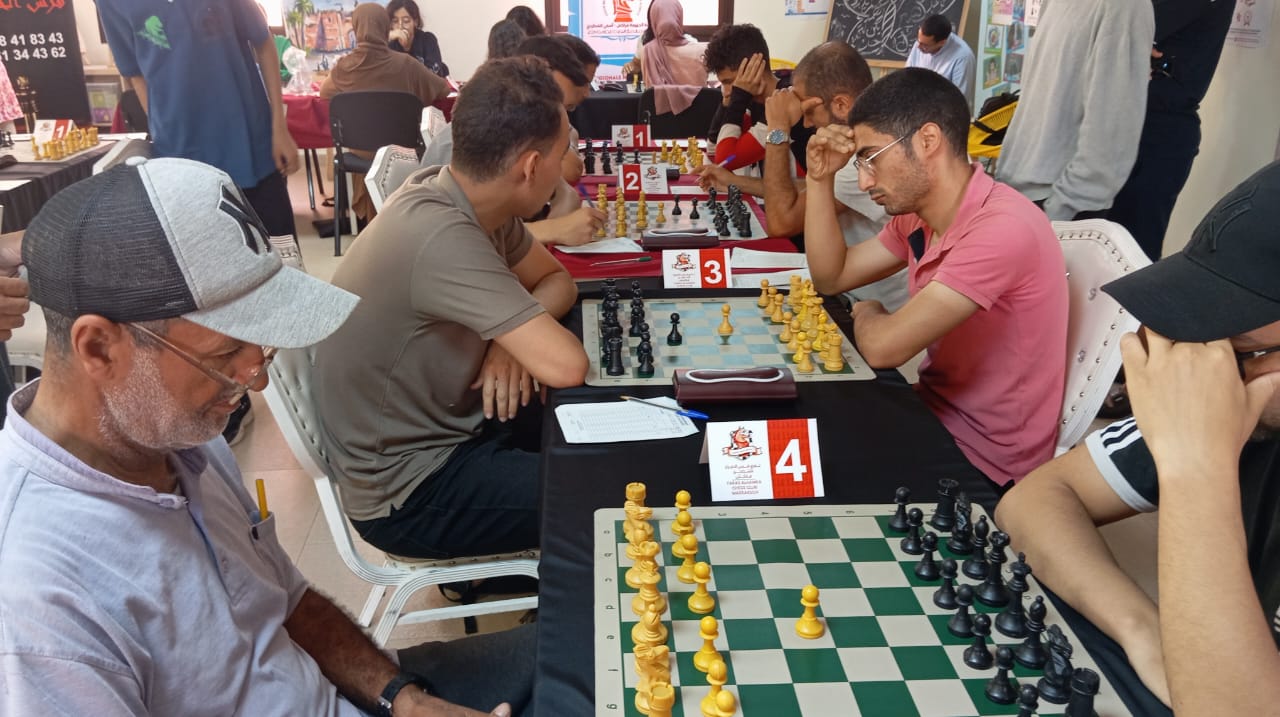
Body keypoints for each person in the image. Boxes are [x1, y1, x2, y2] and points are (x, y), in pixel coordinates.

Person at [0, 157, 535, 716]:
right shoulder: (38, 599)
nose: (255, 379)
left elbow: (286, 601)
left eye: (260, 346)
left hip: (348, 693)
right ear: (98, 348)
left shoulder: (183, 441)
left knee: (588, 644)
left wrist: (401, 696)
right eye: (226, 353)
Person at [996, 161, 1280, 712]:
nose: (1206, 366)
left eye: (1240, 350)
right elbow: (1034, 501)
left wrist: (1196, 471)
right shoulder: (1250, 405)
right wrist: (1144, 631)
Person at [313, 57, 589, 560]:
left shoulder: (470, 197)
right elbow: (567, 365)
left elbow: (557, 281)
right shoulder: (441, 233)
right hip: (410, 491)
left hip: (456, 420)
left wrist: (506, 341)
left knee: (601, 428)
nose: (569, 162)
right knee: (608, 486)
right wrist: (514, 335)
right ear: (531, 167)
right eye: (564, 151)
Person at [804, 68, 1068, 487]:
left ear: (927, 140)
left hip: (983, 461)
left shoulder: (1001, 229)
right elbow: (832, 277)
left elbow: (883, 348)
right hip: (933, 413)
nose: (865, 181)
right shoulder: (919, 215)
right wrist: (820, 179)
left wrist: (868, 311)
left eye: (872, 158)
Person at [98, 0, 304, 447]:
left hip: (253, 147)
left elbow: (263, 44)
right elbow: (135, 74)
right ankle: (230, 395)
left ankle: (305, 382)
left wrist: (279, 125)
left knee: (281, 270)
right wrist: (167, 139)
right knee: (208, 291)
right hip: (183, 161)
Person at [697, 41, 908, 310]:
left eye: (809, 112)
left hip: (873, 306)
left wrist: (778, 128)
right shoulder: (863, 136)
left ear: (841, 104)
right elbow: (809, 189)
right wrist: (733, 181)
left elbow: (781, 223)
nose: (806, 122)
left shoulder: (863, 154)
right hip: (851, 290)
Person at [421, 37, 605, 247]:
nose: (557, 117)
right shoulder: (469, 145)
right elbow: (462, 238)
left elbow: (565, 193)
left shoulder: (514, 136)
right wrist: (552, 228)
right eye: (559, 106)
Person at [995, 0, 1154, 221]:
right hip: (1013, 192)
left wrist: (1059, 212)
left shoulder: (1125, 6)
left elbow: (1111, 136)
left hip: (1052, 205)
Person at [1107, 0, 1234, 261]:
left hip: (1154, 131)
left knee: (1126, 256)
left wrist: (1119, 45)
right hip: (1120, 122)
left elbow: (1122, 29)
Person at [321, 3, 450, 224]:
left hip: (361, 153)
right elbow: (443, 89)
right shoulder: (407, 64)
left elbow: (325, 92)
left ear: (356, 28)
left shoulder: (345, 67)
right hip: (402, 151)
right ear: (385, 28)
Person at [701, 24, 810, 175]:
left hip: (803, 189)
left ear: (755, 68)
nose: (725, 92)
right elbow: (713, 151)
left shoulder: (785, 99)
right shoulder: (752, 101)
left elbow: (726, 160)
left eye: (729, 82)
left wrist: (738, 99)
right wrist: (727, 103)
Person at [905, 14, 975, 106]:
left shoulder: (963, 57)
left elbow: (959, 100)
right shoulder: (920, 44)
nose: (918, 47)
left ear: (942, 43)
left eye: (925, 45)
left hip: (944, 110)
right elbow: (907, 77)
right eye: (918, 41)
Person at [387, 0, 451, 78]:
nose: (400, 26)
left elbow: (432, 73)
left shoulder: (427, 39)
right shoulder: (389, 44)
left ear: (415, 22)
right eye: (395, 21)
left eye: (406, 21)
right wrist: (386, 37)